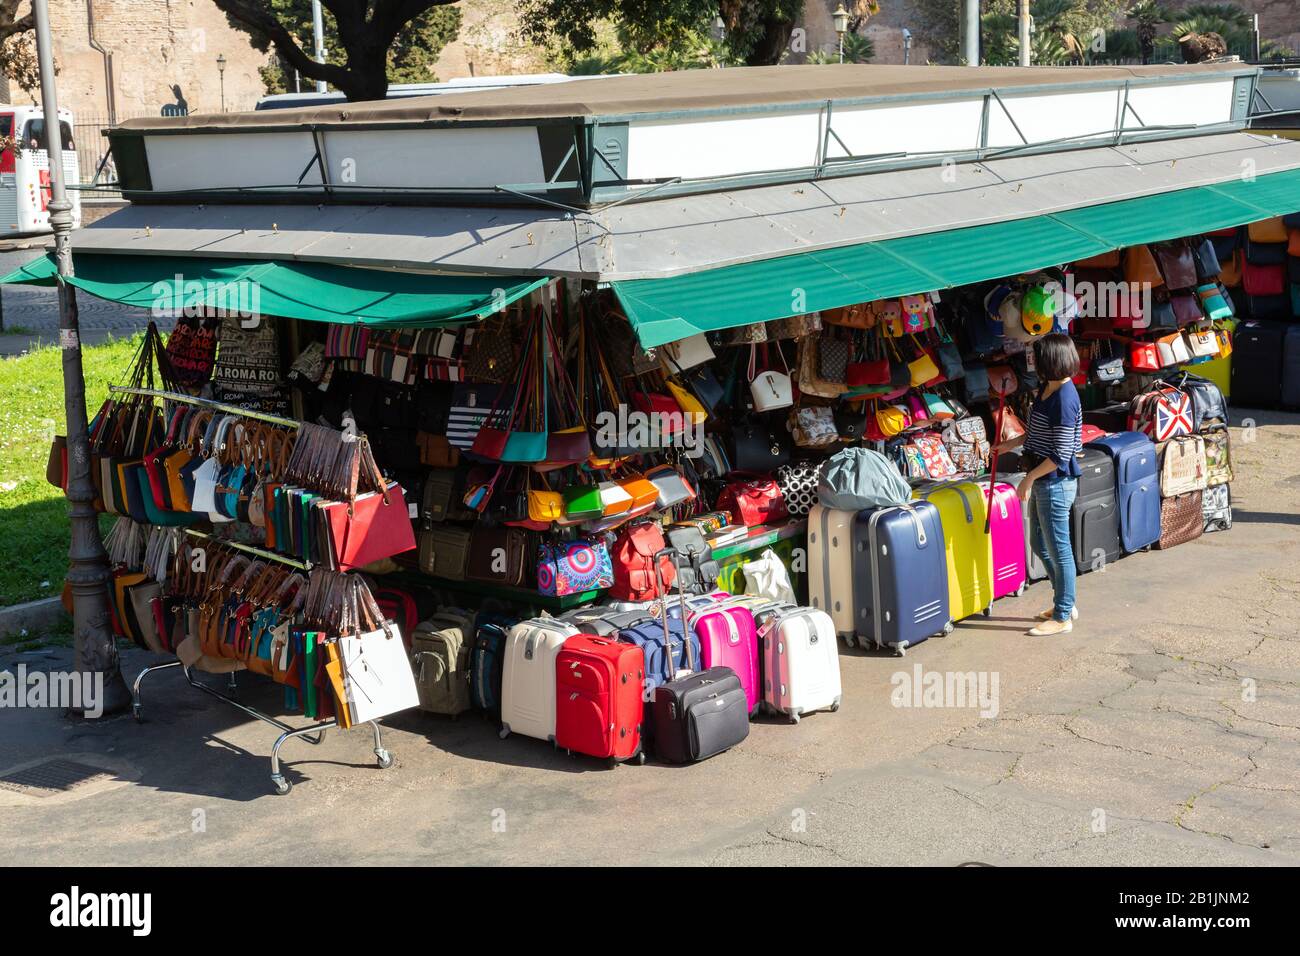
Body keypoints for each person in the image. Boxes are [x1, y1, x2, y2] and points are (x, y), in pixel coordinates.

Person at [997, 333, 1083, 636]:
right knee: (1039, 544)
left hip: (1055, 483)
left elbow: (1060, 455)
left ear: (1052, 360)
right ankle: (1065, 601)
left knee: (1059, 551)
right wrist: (1011, 445)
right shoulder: (1046, 389)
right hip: (1044, 479)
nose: (1030, 361)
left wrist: (1028, 479)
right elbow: (1036, 434)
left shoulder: (1065, 399)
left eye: (1036, 357)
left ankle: (1062, 617)